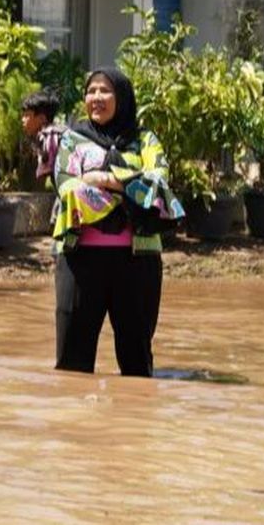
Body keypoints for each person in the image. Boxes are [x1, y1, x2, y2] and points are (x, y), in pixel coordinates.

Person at [36, 67, 183, 377]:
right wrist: (131, 189)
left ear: (123, 97)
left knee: (137, 364)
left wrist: (107, 180)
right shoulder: (71, 141)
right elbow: (67, 186)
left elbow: (158, 186)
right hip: (78, 260)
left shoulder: (145, 141)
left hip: (137, 262)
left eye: (105, 91)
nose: (96, 98)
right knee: (71, 364)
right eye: (91, 91)